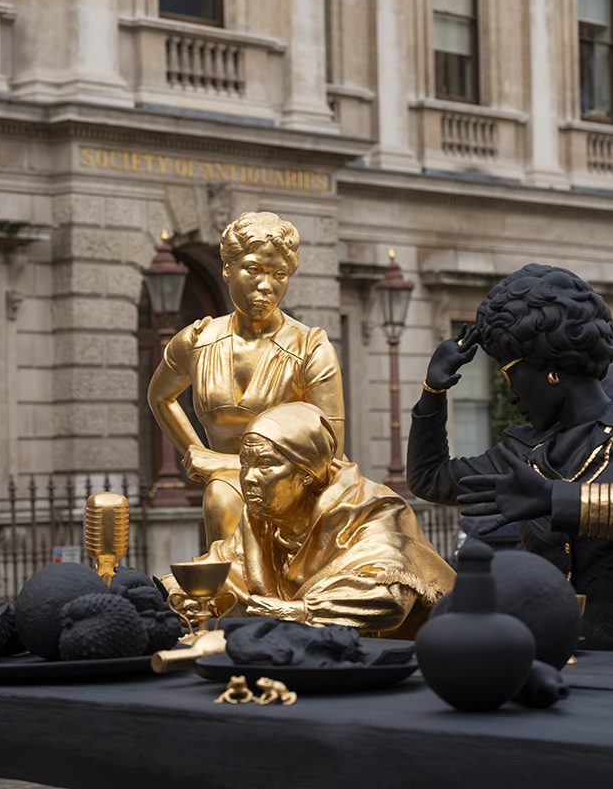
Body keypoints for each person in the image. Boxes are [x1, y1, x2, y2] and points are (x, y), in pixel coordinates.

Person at [406, 263, 613, 649]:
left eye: (510, 376)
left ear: (549, 369)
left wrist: (555, 499)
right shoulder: (522, 453)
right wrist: (433, 391)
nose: (512, 396)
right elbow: (429, 478)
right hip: (546, 659)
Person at [163, 403, 455, 638]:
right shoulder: (263, 519)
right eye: (245, 464)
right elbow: (223, 568)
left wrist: (300, 611)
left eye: (264, 465)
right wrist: (174, 593)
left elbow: (388, 597)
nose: (248, 478)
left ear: (306, 472)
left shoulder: (375, 511)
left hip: (417, 662)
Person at [148, 212, 344, 544]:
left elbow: (330, 453)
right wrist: (193, 451)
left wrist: (219, 462)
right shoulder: (197, 340)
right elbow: (160, 397)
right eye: (253, 270)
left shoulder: (310, 347)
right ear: (228, 269)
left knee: (223, 493)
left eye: (279, 274)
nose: (266, 286)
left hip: (294, 494)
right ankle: (230, 592)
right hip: (229, 491)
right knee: (223, 497)